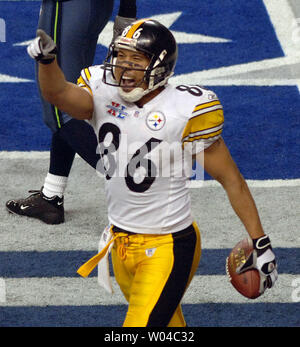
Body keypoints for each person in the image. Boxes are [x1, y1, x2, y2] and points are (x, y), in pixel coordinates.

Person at [26, 18, 278, 327]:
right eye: (120, 57)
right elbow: (59, 94)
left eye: (136, 60)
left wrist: (260, 241)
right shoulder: (103, 90)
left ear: (159, 66)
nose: (124, 67)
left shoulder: (186, 109)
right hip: (120, 244)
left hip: (168, 246)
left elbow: (231, 180)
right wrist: (47, 61)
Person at [5, 0, 137, 224]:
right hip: (88, 8)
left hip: (69, 6)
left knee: (59, 105)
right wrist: (127, 8)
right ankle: (51, 195)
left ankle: (139, 189)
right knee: (70, 99)